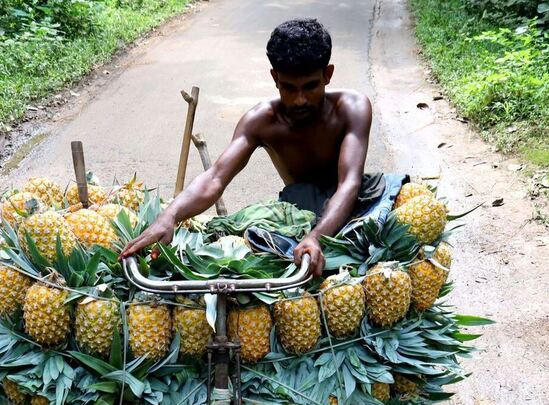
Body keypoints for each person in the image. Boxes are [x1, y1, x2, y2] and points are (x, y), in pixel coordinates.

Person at [120, 17, 375, 277]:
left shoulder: (351, 108)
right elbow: (216, 177)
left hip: (353, 206)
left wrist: (316, 237)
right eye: (289, 88)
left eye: (310, 86)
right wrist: (170, 215)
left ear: (327, 75)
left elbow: (350, 184)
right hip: (298, 213)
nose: (300, 100)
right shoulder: (261, 121)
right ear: (275, 78)